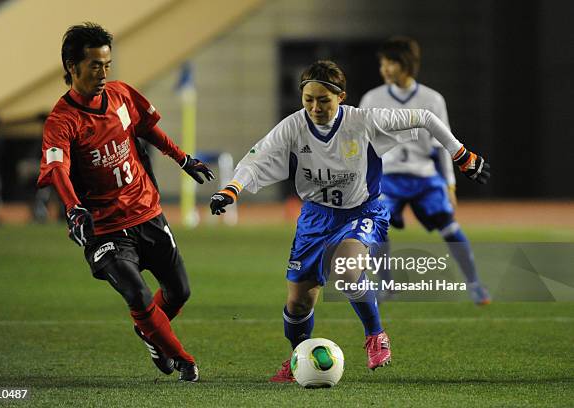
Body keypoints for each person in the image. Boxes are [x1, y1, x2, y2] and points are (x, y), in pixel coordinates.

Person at [209, 60, 490, 382]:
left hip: (362, 213)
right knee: (299, 302)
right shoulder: (293, 126)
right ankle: (298, 358)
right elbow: (255, 159)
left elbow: (426, 118)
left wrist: (462, 155)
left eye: (323, 100)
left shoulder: (364, 121)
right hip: (314, 218)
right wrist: (231, 190)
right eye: (308, 99)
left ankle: (375, 335)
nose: (315, 107)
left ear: (340, 97)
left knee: (347, 269)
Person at [36, 22, 215, 382]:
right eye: (94, 66)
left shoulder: (121, 95)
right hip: (104, 227)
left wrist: (183, 159)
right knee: (136, 292)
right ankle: (181, 358)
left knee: (179, 291)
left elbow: (147, 128)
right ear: (72, 67)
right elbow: (57, 168)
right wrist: (73, 210)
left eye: (107, 64)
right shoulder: (62, 120)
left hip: (146, 211)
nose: (104, 74)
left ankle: (149, 332)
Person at [359, 36, 491, 304]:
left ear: (406, 64)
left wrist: (449, 184)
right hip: (388, 178)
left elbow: (444, 145)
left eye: (390, 63)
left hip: (424, 176)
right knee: (376, 228)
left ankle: (475, 285)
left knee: (450, 227)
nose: (384, 68)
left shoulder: (432, 99)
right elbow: (360, 144)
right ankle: (386, 286)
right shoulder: (372, 98)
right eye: (382, 63)